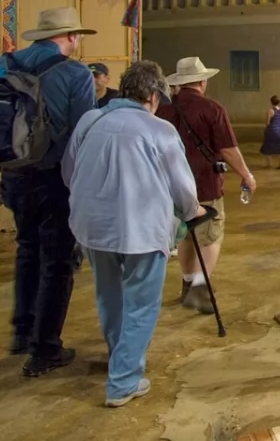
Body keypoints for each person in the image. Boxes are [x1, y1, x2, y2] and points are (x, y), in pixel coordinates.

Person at [62, 61, 205, 408]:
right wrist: (193, 212)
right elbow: (183, 187)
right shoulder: (159, 130)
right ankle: (123, 380)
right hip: (141, 228)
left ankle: (120, 357)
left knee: (108, 295)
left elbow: (69, 170)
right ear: (153, 96)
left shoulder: (89, 121)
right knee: (141, 302)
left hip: (92, 226)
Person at [0, 6, 98, 376]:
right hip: (55, 179)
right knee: (58, 262)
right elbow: (82, 137)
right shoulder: (77, 74)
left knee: (27, 250)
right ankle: (45, 350)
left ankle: (22, 332)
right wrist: (82, 189)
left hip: (13, 176)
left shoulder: (2, 65)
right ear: (72, 36)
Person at [156, 57, 256, 314]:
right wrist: (246, 174)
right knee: (210, 236)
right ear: (202, 81)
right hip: (205, 185)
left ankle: (188, 285)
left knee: (185, 235)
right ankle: (201, 289)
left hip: (171, 187)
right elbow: (228, 149)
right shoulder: (212, 109)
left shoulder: (164, 109)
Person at [260, 95, 280, 169]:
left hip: (272, 131)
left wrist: (265, 129)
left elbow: (268, 122)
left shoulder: (270, 110)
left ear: (271, 102)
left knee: (268, 146)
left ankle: (270, 164)